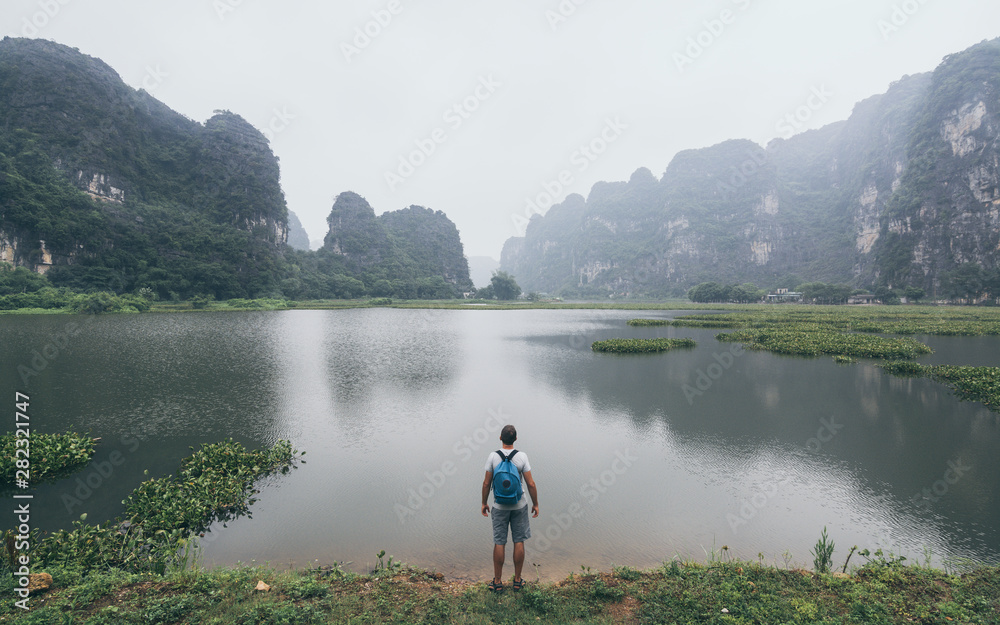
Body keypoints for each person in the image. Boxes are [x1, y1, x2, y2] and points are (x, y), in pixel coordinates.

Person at [481, 424, 538, 592]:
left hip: (499, 505)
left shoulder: (493, 457)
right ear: (515, 439)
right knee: (518, 540)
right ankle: (517, 581)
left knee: (499, 542)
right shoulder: (522, 456)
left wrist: (484, 503)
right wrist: (536, 504)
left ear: (500, 438)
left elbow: (486, 483)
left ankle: (497, 582)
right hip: (519, 505)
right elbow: (531, 483)